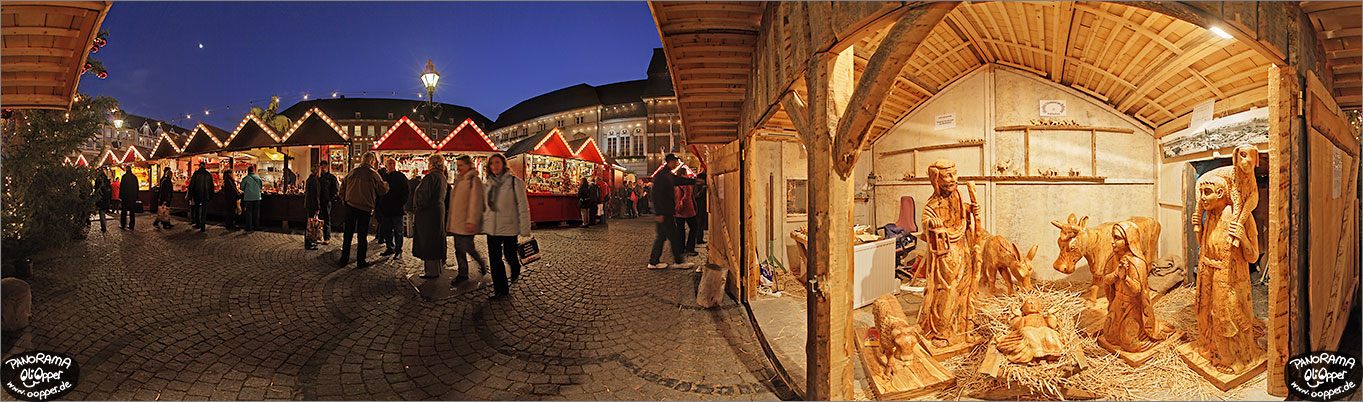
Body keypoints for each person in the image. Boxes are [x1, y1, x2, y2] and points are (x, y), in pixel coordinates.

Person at [482, 153, 531, 300]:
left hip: (509, 226)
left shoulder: (515, 182)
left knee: (510, 256)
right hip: (492, 228)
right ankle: (501, 290)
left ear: (503, 164)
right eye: (492, 163)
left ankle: (515, 267)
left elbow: (523, 206)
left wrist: (525, 228)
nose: (495, 166)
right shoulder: (488, 184)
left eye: (498, 163)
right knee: (495, 260)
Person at [337, 152, 389, 268]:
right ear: (372, 162)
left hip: (350, 206)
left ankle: (344, 259)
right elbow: (382, 190)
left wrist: (345, 200)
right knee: (362, 235)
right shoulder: (374, 175)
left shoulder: (352, 172)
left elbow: (342, 188)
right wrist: (386, 184)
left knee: (348, 234)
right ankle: (361, 261)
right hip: (364, 208)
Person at [647, 154, 696, 270]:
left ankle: (654, 261)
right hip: (664, 212)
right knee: (671, 237)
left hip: (666, 211)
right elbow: (655, 195)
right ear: (670, 161)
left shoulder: (667, 175)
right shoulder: (662, 176)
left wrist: (694, 181)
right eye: (675, 161)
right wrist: (659, 213)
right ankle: (676, 261)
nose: (676, 164)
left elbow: (679, 180)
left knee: (664, 237)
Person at [446, 155, 487, 285]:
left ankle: (476, 266)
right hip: (458, 221)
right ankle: (464, 272)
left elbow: (476, 202)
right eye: (457, 166)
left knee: (466, 247)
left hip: (467, 221)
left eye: (461, 165)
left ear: (469, 165)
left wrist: (471, 220)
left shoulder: (474, 180)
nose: (458, 168)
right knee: (460, 248)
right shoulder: (459, 179)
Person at [410, 154, 448, 278]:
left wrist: (417, 206)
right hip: (437, 212)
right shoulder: (442, 177)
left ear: (431, 164)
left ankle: (431, 271)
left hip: (428, 214)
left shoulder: (430, 177)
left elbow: (423, 197)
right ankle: (436, 268)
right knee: (436, 240)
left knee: (429, 241)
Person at [377, 158, 410, 258]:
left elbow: (406, 192)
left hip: (396, 209)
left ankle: (398, 250)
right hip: (386, 208)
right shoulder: (383, 176)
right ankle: (390, 247)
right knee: (387, 230)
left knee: (398, 231)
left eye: (393, 163)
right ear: (386, 165)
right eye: (389, 163)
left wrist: (400, 204)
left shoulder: (400, 176)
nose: (391, 165)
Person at [673, 170, 699, 258]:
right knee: (694, 227)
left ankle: (680, 248)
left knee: (680, 230)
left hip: (677, 211)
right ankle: (690, 248)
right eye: (686, 174)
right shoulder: (686, 184)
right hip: (687, 210)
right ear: (683, 174)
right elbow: (687, 196)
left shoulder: (675, 185)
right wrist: (681, 205)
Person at [187, 162, 215, 232]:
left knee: (197, 209)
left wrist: (190, 196)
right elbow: (212, 186)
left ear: (199, 166)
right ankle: (203, 225)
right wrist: (211, 196)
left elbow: (191, 185)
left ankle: (198, 223)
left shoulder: (196, 174)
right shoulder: (208, 175)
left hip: (197, 194)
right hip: (206, 195)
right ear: (205, 166)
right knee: (204, 210)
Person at [318, 163, 339, 244]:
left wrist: (330, 198)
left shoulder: (331, 178)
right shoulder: (318, 177)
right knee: (318, 219)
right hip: (319, 201)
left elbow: (335, 189)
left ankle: (327, 237)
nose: (322, 169)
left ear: (327, 168)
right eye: (321, 167)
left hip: (326, 201)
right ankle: (318, 236)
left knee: (326, 219)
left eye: (324, 167)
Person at [304, 166, 323, 250]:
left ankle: (310, 242)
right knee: (311, 225)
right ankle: (309, 242)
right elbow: (315, 196)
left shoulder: (309, 179)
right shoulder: (314, 181)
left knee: (309, 223)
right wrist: (317, 208)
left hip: (309, 204)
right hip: (312, 205)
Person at [241, 165, 264, 232]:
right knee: (256, 212)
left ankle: (249, 226)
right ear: (254, 170)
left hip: (248, 198)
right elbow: (261, 187)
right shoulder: (258, 178)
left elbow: (242, 188)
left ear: (248, 171)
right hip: (257, 197)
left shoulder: (245, 178)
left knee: (249, 213)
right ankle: (256, 226)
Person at [93, 168, 113, 232]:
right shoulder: (107, 180)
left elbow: (96, 190)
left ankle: (103, 226)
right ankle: (104, 224)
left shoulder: (98, 180)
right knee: (103, 211)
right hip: (106, 198)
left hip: (101, 198)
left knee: (101, 212)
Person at [694, 174, 708, 245]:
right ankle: (698, 239)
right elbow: (696, 196)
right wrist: (703, 190)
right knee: (699, 223)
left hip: (702, 206)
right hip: (699, 206)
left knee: (701, 222)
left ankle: (700, 238)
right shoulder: (697, 186)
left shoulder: (699, 185)